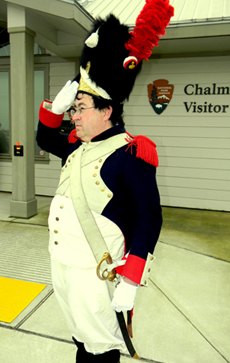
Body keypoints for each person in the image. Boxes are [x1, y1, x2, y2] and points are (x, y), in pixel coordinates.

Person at [36, 3, 173, 362]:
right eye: (73, 109)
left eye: (79, 107)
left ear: (106, 110)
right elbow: (44, 139)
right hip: (63, 266)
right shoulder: (77, 146)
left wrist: (130, 280)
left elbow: (149, 219)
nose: (73, 115)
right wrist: (54, 110)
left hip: (96, 275)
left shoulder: (132, 154)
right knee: (81, 340)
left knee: (100, 349)